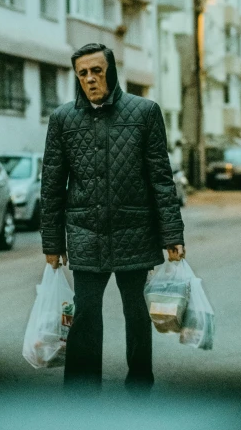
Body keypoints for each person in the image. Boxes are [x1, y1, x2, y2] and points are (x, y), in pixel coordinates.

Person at [41, 42, 185, 386]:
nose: (90, 79)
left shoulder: (145, 112)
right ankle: (82, 392)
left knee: (137, 315)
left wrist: (172, 235)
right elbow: (52, 185)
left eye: (97, 71)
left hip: (135, 230)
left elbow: (161, 180)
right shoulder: (63, 120)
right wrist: (52, 242)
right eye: (83, 73)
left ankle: (139, 385)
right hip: (85, 234)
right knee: (85, 315)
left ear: (111, 72)